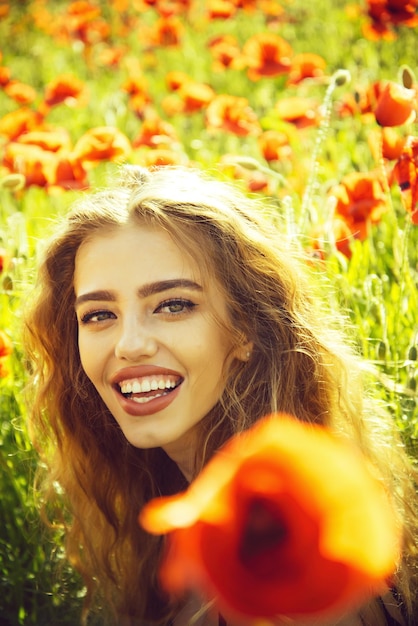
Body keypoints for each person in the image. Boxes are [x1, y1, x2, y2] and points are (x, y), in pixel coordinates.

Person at [24, 165, 418, 626]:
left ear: (245, 329)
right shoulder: (161, 523)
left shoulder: (293, 566)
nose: (129, 344)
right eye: (97, 315)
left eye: (174, 305)